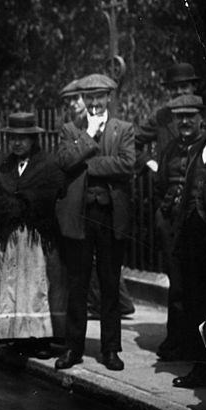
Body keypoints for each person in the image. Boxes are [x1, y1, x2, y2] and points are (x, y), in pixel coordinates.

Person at [54, 73, 135, 372]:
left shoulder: (123, 129)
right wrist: (88, 137)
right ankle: (73, 348)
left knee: (110, 283)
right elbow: (64, 161)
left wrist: (87, 163)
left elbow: (127, 164)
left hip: (111, 215)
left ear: (109, 98)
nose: (94, 102)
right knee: (78, 282)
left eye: (100, 96)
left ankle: (111, 349)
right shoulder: (70, 129)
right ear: (83, 100)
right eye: (89, 97)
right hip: (80, 215)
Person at [0, 112, 66, 358]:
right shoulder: (5, 166)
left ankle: (39, 339)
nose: (17, 143)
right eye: (13, 138)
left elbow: (48, 196)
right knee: (12, 284)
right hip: (12, 235)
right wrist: (13, 206)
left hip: (37, 235)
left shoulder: (46, 165)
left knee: (36, 286)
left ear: (33, 139)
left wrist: (21, 203)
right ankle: (15, 335)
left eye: (23, 138)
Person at [169, 87, 206, 393]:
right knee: (196, 302)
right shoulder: (199, 148)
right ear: (204, 119)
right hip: (194, 239)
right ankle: (201, 367)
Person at [153, 94, 204, 361]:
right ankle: (175, 340)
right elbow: (160, 185)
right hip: (171, 223)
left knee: (196, 286)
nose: (185, 121)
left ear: (200, 118)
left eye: (190, 116)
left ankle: (196, 345)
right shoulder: (170, 149)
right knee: (176, 285)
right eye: (180, 117)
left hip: (196, 225)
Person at [136, 62, 200, 174]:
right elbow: (129, 142)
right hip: (170, 184)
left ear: (194, 86)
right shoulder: (161, 116)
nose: (179, 92)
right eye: (174, 88)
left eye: (184, 86)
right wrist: (149, 162)